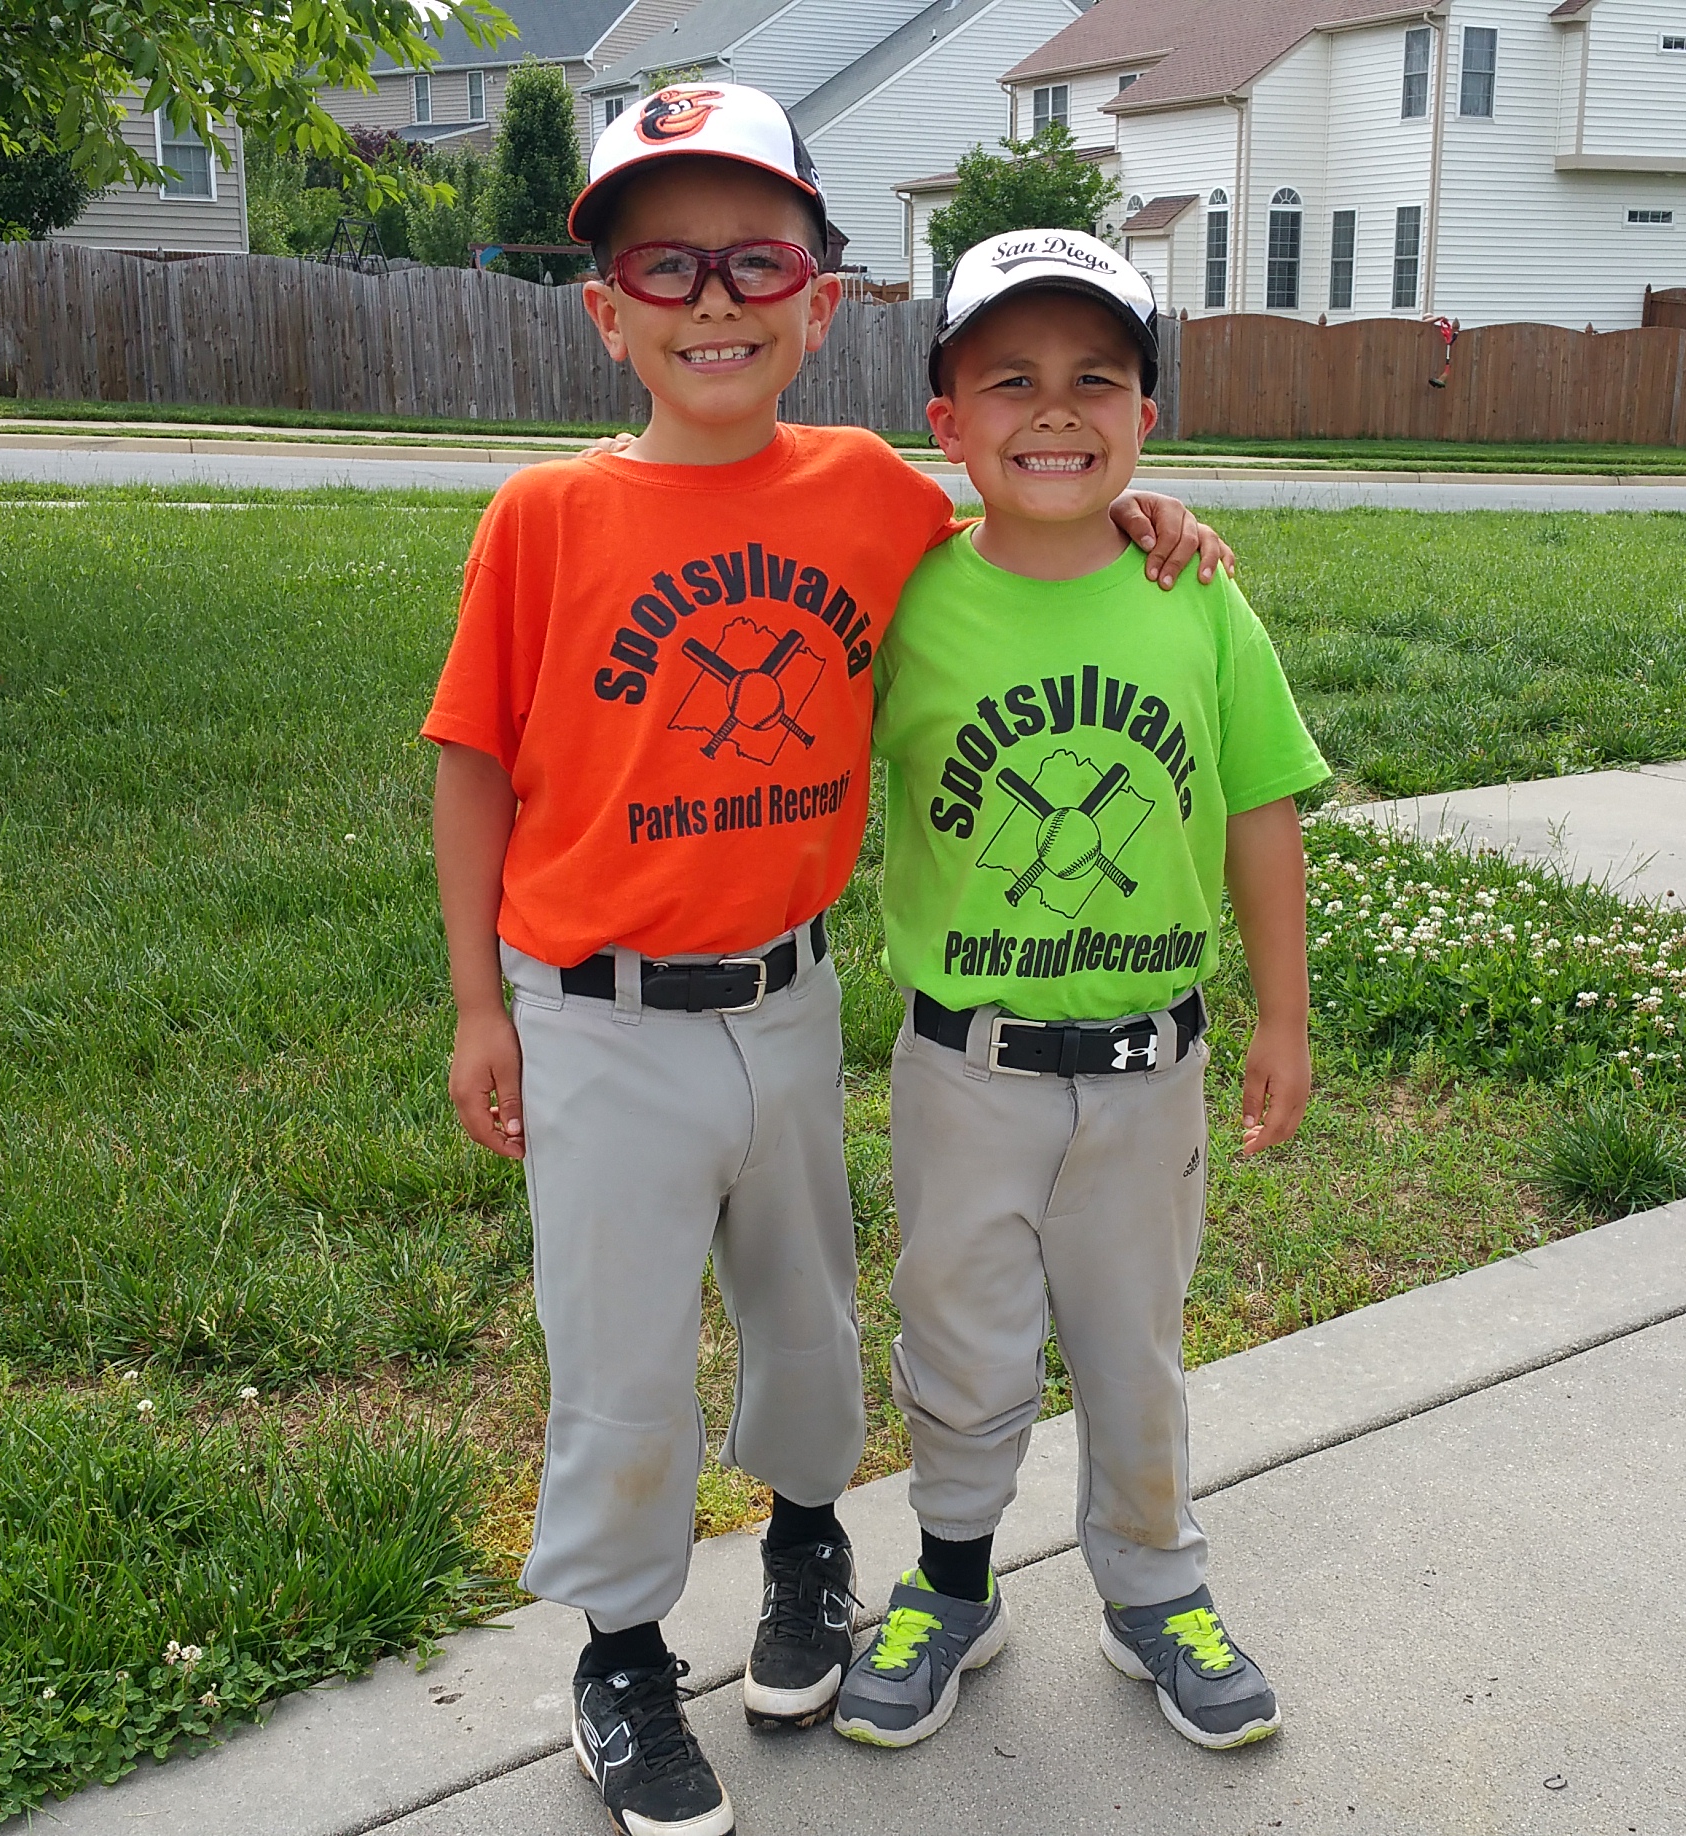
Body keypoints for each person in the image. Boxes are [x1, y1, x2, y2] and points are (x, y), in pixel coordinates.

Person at [423, 90, 1227, 1836]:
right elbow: (473, 758)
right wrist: (480, 1003)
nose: (714, 300)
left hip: (788, 998)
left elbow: (1037, 525)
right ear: (608, 307)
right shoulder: (542, 518)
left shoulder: (868, 493)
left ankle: (809, 1556)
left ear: (820, 297)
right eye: (667, 263)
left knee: (806, 1322)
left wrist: (1154, 519)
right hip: (596, 1012)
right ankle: (623, 1661)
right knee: (621, 1351)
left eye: (756, 260)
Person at [831, 229, 1326, 1756]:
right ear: (948, 422)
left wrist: (1284, 1015)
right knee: (963, 1339)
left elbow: (1258, 806)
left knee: (1133, 1345)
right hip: (962, 1065)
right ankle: (955, 1585)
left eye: (1095, 380)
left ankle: (1155, 1591)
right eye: (1012, 382)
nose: (1055, 411)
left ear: (1147, 425)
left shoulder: (1196, 595)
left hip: (1146, 1066)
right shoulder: (906, 601)